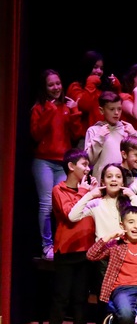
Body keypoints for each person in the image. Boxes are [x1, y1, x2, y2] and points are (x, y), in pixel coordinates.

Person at [44, 149, 97, 324]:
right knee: (61, 296)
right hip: (66, 250)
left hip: (86, 250)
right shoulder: (59, 190)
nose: (87, 168)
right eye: (84, 164)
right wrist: (86, 193)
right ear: (71, 166)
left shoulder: (87, 190)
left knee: (80, 297)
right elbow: (69, 214)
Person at [31, 69, 83, 258]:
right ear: (45, 88)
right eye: (51, 85)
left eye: (58, 83)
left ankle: (62, 243)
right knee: (46, 204)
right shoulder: (39, 108)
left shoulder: (67, 106)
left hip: (63, 163)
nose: (56, 88)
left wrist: (75, 111)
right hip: (44, 161)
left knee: (64, 205)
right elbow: (36, 134)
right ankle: (47, 246)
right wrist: (50, 111)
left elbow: (77, 134)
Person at [85, 91, 137, 176]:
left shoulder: (126, 130)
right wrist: (99, 137)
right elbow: (89, 160)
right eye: (112, 109)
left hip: (123, 180)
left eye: (119, 109)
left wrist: (134, 135)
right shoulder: (94, 131)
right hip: (102, 182)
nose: (116, 112)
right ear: (102, 110)